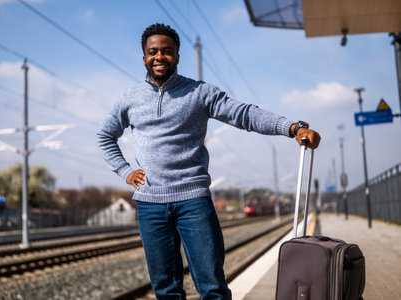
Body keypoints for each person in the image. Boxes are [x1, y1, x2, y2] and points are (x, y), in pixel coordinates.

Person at [98, 23, 321, 300]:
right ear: (144, 57)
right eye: (152, 51)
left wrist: (292, 128)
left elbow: (245, 114)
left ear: (177, 56)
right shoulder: (128, 99)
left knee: (213, 288)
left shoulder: (200, 92)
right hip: (149, 205)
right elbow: (105, 136)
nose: (159, 57)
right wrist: (125, 171)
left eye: (167, 51)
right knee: (166, 291)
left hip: (193, 201)